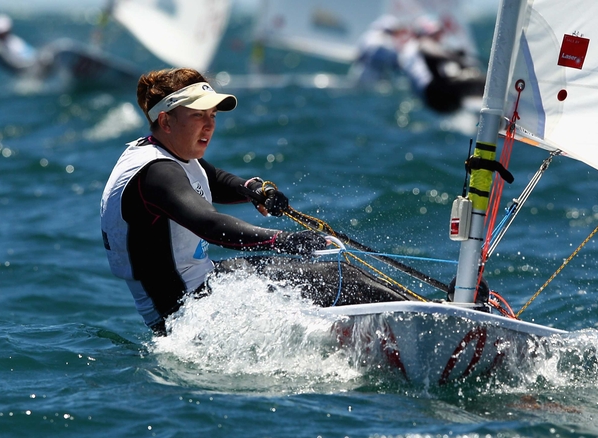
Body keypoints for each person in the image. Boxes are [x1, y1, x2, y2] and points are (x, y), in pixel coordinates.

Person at [101, 68, 415, 335]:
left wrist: (252, 189)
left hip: (200, 287)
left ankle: (411, 314)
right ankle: (418, 320)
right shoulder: (157, 173)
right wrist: (284, 240)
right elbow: (209, 224)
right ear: (166, 121)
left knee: (334, 276)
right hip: (188, 311)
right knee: (338, 277)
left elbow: (212, 179)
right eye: (197, 116)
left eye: (212, 116)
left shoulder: (161, 152)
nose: (209, 125)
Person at [398, 15, 485, 113]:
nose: (439, 37)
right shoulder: (422, 42)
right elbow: (433, 52)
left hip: (430, 101)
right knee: (481, 80)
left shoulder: (408, 50)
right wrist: (458, 59)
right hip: (435, 91)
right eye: (435, 34)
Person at [348, 15, 407, 87]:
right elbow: (396, 65)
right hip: (375, 78)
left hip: (358, 72)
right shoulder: (390, 44)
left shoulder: (368, 36)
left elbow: (357, 55)